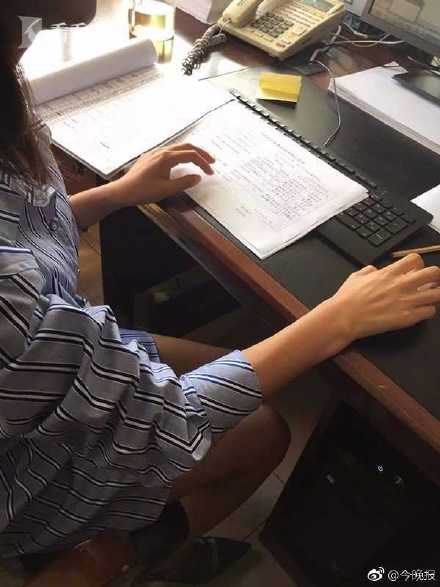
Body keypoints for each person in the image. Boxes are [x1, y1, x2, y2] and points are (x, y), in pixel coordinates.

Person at [1, 2, 440, 583]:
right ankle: (136, 554)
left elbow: (24, 231)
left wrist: (114, 194)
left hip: (52, 365)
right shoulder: (10, 298)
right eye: (26, 32)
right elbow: (171, 418)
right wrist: (337, 319)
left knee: (229, 367)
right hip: (25, 479)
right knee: (263, 430)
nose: (28, 46)